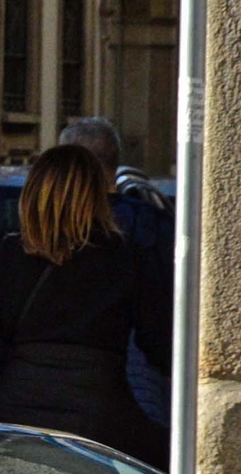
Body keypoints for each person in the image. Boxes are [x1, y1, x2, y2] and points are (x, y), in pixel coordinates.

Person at [0, 143, 173, 460]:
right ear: (95, 197)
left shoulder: (8, 256)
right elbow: (159, 342)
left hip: (16, 417)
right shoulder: (126, 255)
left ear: (32, 196)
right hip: (98, 419)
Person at [58, 116, 173, 430]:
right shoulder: (151, 223)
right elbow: (164, 307)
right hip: (140, 377)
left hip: (62, 383)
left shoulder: (51, 228)